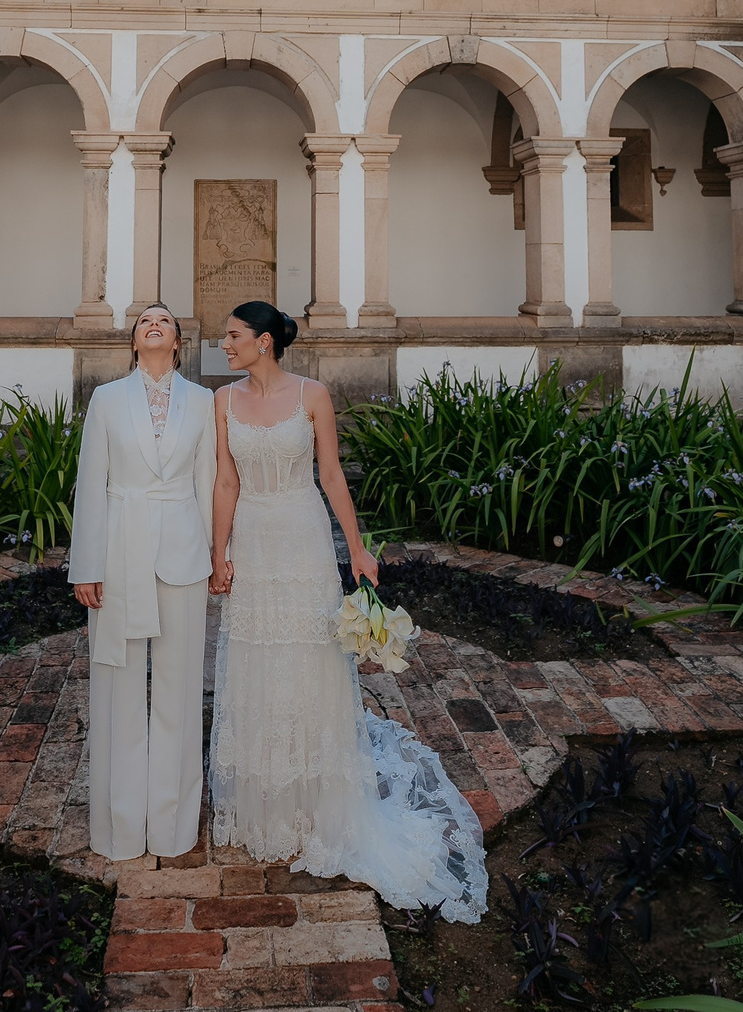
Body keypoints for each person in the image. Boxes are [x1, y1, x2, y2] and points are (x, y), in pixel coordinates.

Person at [206, 301, 487, 920]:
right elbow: (226, 481)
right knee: (255, 661)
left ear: (264, 343)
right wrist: (218, 553)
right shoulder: (222, 403)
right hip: (253, 538)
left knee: (308, 662)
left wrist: (357, 548)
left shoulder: (314, 394)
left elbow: (331, 475)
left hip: (304, 541)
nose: (222, 343)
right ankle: (264, 804)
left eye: (232, 335)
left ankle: (316, 803)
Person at [67, 304, 217, 862]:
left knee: (179, 690)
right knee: (118, 691)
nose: (153, 323)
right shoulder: (106, 400)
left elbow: (207, 484)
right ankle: (120, 828)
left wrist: (217, 556)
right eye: (143, 321)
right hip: (118, 551)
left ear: (178, 340)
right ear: (134, 342)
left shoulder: (203, 402)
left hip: (181, 555)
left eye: (164, 319)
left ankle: (176, 826)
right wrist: (87, 565)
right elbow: (90, 485)